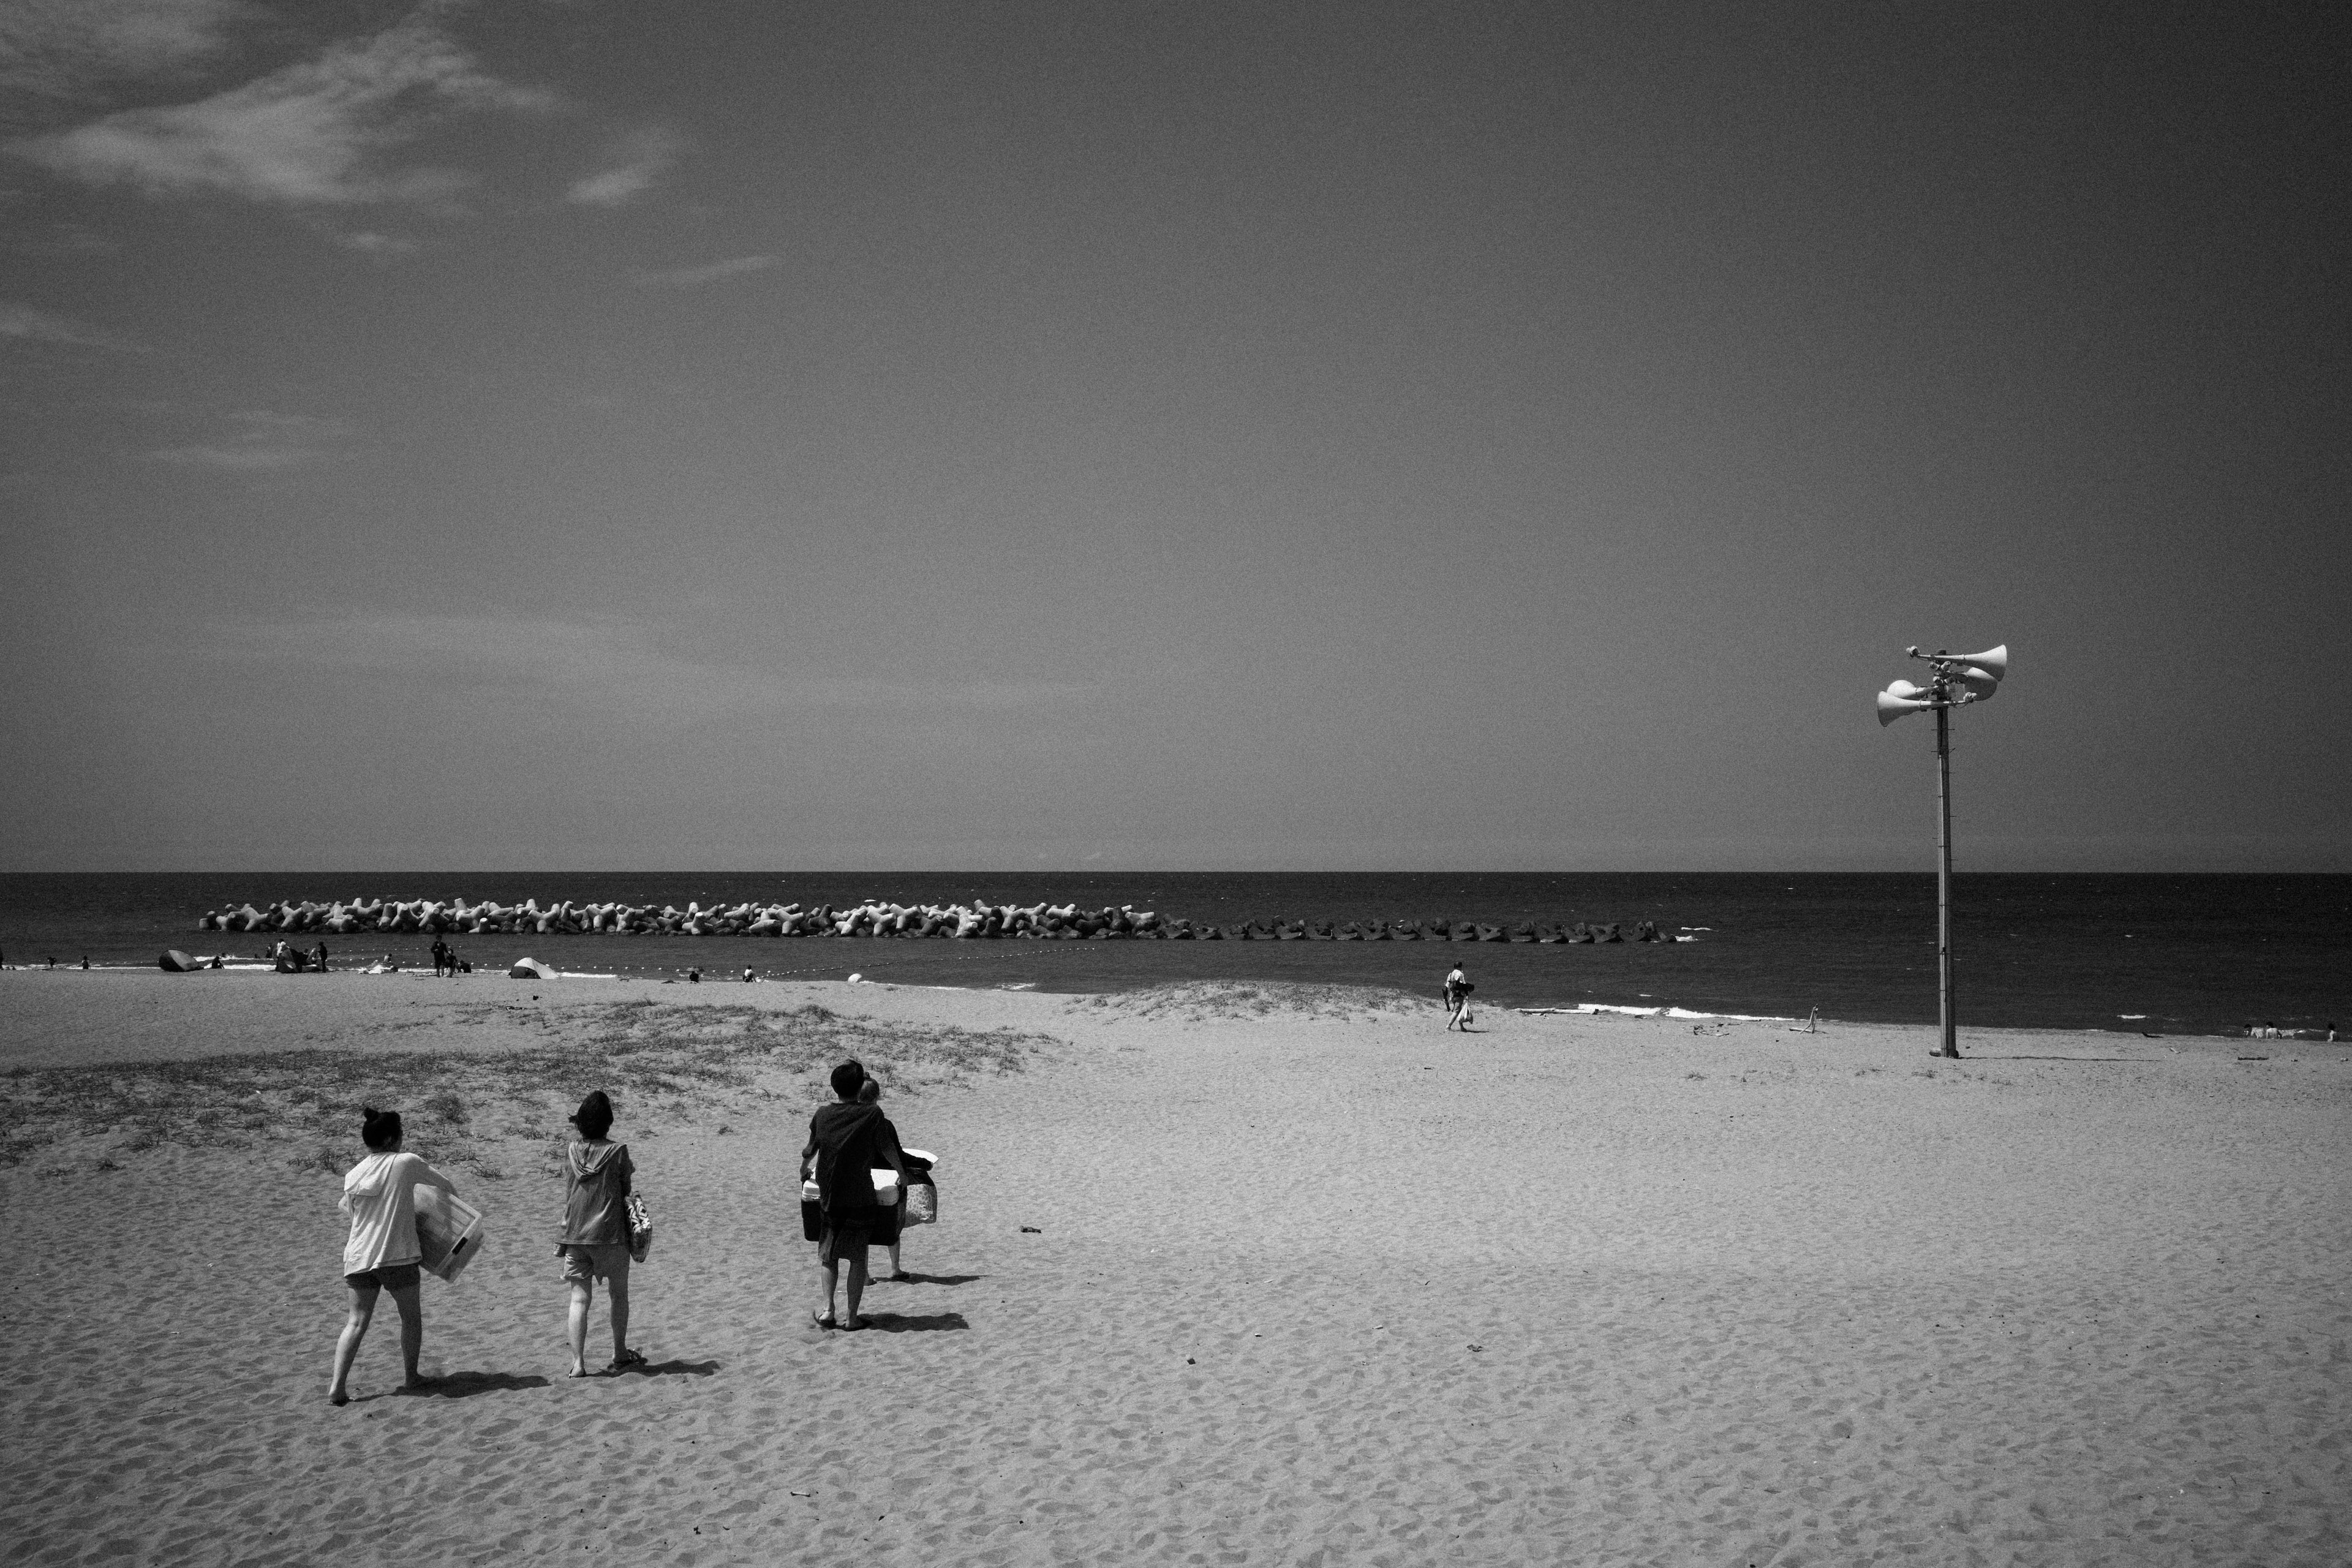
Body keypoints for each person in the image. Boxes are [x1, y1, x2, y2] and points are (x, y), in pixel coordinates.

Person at [328, 1107, 458, 1405]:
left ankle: (337, 1386)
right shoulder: (405, 1162)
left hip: (358, 1258)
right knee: (410, 1318)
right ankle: (411, 1377)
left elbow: (344, 1207)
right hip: (396, 1256)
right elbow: (446, 1186)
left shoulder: (354, 1173)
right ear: (391, 1139)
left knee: (356, 1322)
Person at [804, 1060, 904, 1329]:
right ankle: (851, 1317)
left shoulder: (823, 1114)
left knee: (829, 1255)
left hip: (830, 1196)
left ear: (833, 1086)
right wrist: (902, 1174)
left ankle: (828, 1310)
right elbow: (886, 1147)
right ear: (861, 1088)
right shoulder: (872, 1115)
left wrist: (804, 1169)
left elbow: (811, 1149)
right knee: (857, 1257)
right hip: (860, 1196)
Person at [557, 1090, 642, 1378]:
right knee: (619, 1295)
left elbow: (570, 1192)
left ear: (580, 1124)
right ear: (608, 1123)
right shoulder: (618, 1152)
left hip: (576, 1236)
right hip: (611, 1236)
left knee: (579, 1300)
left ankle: (578, 1364)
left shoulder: (570, 1151)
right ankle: (619, 1353)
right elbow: (626, 1191)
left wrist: (563, 1237)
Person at [1443, 963, 1472, 1030]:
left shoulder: (1451, 974)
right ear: (1460, 967)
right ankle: (1448, 1026)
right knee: (1456, 1011)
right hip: (1459, 995)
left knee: (1458, 1011)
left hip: (1452, 995)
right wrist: (1467, 992)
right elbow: (1463, 984)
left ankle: (1462, 1027)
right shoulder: (1460, 974)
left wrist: (1445, 998)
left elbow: (1446, 986)